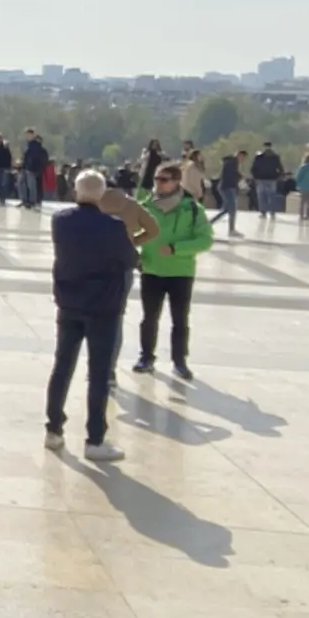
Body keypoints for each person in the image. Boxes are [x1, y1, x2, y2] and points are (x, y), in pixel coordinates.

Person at [47, 171, 135, 463]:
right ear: (102, 194)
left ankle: (54, 429)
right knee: (98, 375)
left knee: (62, 367)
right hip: (103, 307)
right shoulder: (113, 226)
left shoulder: (60, 221)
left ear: (75, 190)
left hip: (69, 303)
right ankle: (94, 439)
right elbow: (130, 259)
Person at [133, 161, 214, 381]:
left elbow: (205, 240)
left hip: (180, 271)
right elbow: (128, 231)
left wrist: (177, 249)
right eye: (156, 179)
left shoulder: (193, 209)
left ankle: (180, 361)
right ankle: (146, 357)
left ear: (177, 182)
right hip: (151, 269)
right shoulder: (144, 206)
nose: (158, 184)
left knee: (180, 319)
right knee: (149, 317)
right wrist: (134, 255)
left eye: (164, 180)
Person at [250, 141, 285, 226]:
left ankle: (263, 212)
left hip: (261, 179)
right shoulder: (275, 157)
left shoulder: (259, 157)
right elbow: (280, 168)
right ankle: (272, 212)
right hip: (272, 179)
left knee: (262, 196)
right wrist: (277, 177)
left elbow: (253, 168)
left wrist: (255, 177)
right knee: (271, 196)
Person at [209, 149, 243, 236]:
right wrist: (238, 177)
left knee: (226, 210)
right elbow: (230, 176)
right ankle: (231, 230)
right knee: (232, 209)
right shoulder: (232, 163)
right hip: (228, 187)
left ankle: (209, 224)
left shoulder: (230, 162)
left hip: (226, 187)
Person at [20, 129, 49, 209]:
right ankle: (25, 200)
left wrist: (33, 167)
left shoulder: (35, 145)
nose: (27, 137)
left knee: (31, 185)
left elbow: (36, 158)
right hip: (25, 167)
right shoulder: (27, 145)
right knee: (22, 184)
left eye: (29, 135)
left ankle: (32, 201)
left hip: (31, 168)